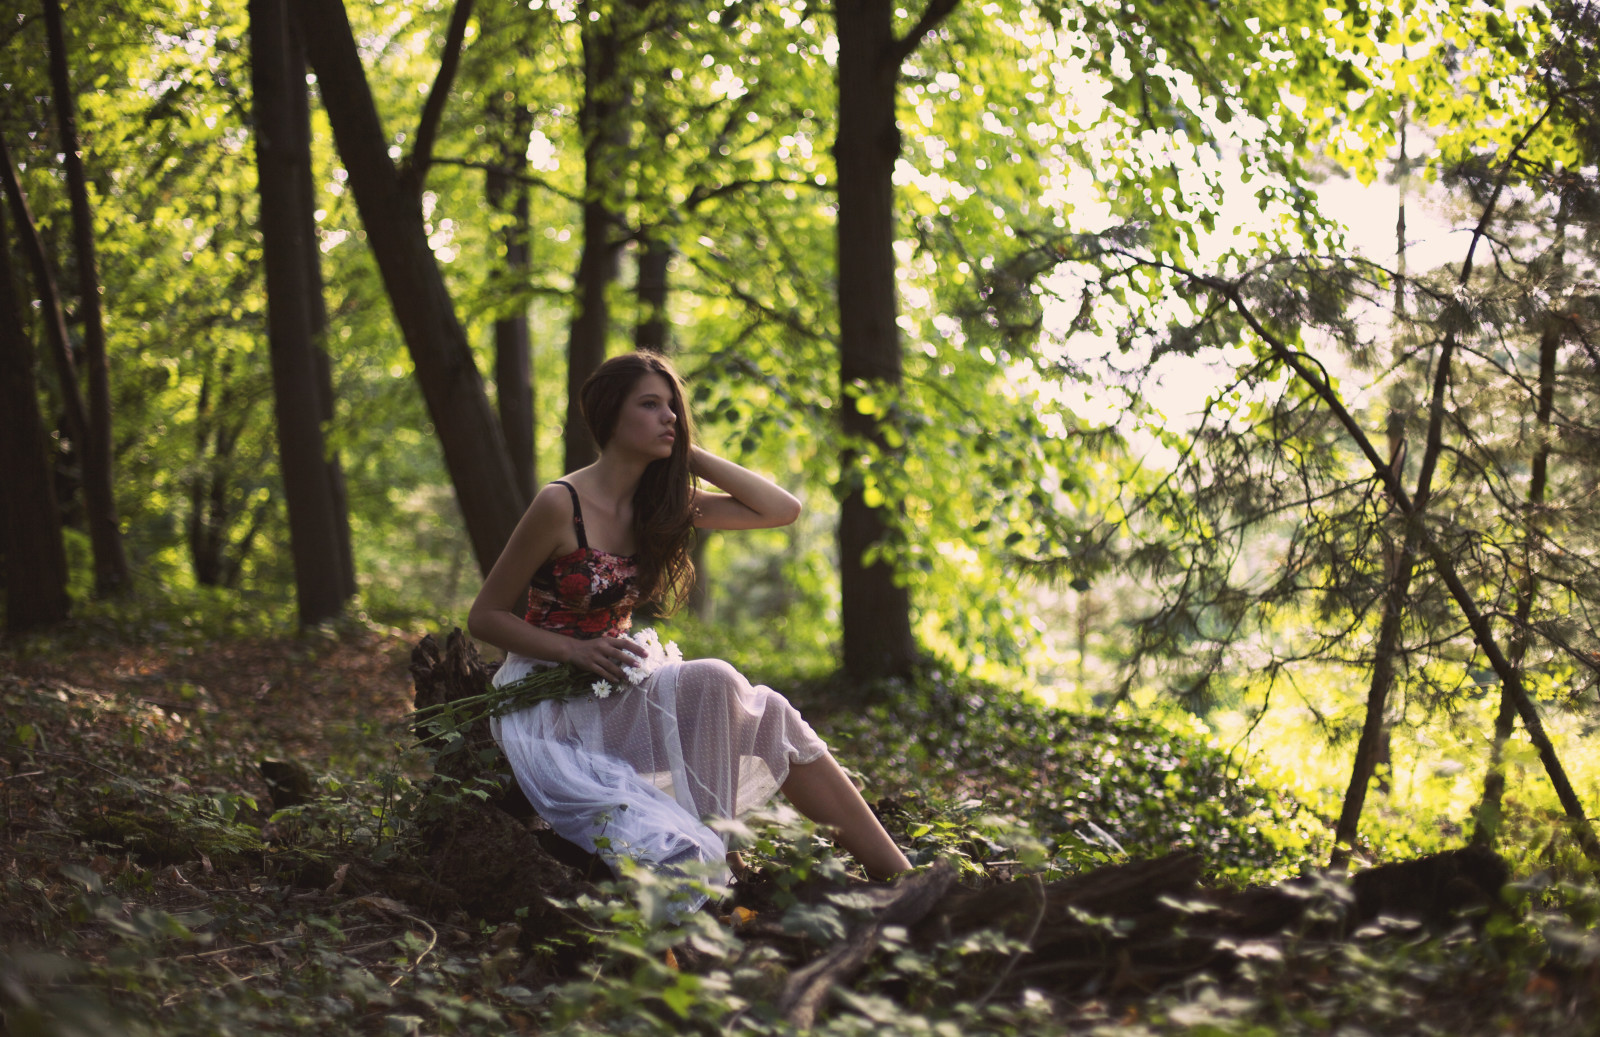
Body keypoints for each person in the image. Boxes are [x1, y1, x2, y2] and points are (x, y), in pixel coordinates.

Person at [468, 351, 911, 894]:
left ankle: (901, 876)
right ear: (610, 415)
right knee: (716, 681)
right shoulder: (561, 504)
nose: (669, 417)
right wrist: (572, 651)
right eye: (650, 405)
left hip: (614, 685)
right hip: (548, 699)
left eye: (672, 407)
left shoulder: (664, 503)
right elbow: (484, 616)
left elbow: (781, 509)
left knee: (766, 710)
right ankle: (719, 852)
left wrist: (689, 456)